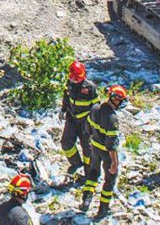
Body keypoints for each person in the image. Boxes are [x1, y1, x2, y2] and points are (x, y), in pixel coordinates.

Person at [79, 85, 127, 219]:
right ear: (115, 99)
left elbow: (87, 129)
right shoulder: (112, 118)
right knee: (110, 180)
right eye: (121, 100)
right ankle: (102, 210)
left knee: (93, 174)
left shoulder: (95, 108)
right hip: (106, 153)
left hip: (94, 148)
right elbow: (111, 144)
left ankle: (86, 200)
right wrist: (114, 163)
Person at [60, 60, 98, 179]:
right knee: (66, 143)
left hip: (86, 121)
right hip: (72, 118)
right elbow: (66, 98)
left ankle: (89, 173)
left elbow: (96, 106)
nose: (75, 80)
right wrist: (63, 110)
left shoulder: (90, 88)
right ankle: (76, 164)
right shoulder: (69, 84)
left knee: (87, 148)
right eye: (73, 78)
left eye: (77, 78)